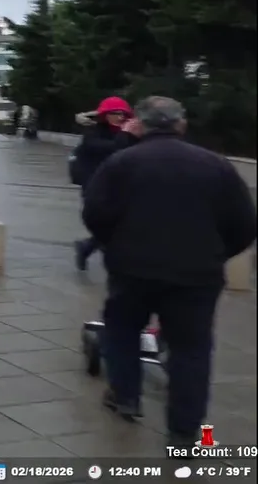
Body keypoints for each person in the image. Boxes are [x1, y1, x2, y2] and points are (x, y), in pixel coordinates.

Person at [82, 97, 256, 453]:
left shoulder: (122, 163)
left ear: (140, 125)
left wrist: (116, 246)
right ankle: (184, 432)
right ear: (181, 125)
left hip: (132, 270)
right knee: (191, 350)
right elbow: (245, 224)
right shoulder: (216, 166)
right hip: (196, 276)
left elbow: (95, 213)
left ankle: (126, 397)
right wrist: (216, 255)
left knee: (122, 330)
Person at [71, 96, 138, 270]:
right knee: (106, 222)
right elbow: (115, 148)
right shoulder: (93, 133)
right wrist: (124, 132)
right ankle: (94, 249)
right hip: (94, 183)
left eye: (123, 114)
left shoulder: (130, 133)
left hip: (119, 183)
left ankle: (87, 247)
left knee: (121, 223)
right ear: (105, 115)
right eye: (115, 113)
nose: (120, 117)